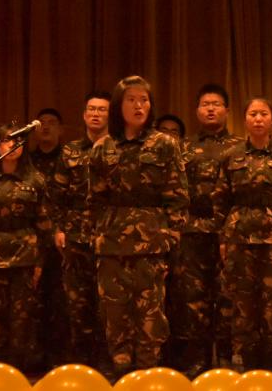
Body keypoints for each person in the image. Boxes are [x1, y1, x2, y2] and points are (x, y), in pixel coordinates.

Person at [90, 76, 189, 378]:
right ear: (119, 106)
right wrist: (97, 235)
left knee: (150, 318)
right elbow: (95, 200)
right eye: (131, 100)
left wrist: (172, 236)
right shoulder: (103, 147)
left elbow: (178, 196)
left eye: (144, 100)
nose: (138, 106)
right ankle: (121, 373)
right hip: (111, 243)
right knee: (115, 316)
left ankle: (148, 375)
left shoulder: (165, 145)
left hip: (152, 244)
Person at [213, 98, 272, 371]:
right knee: (243, 305)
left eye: (263, 113)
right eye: (253, 114)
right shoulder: (231, 156)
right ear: (245, 120)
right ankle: (249, 366)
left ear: (271, 119)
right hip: (239, 238)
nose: (258, 119)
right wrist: (222, 238)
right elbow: (220, 200)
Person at [169, 83, 241, 375]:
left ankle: (225, 359)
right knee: (193, 299)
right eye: (205, 104)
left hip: (228, 231)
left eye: (216, 104)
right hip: (192, 230)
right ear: (197, 110)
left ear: (227, 110)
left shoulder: (239, 146)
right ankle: (197, 362)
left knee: (228, 297)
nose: (211, 109)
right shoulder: (183, 147)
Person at [0, 123, 52, 369]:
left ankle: (18, 372)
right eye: (6, 140)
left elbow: (44, 224)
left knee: (22, 319)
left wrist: (40, 262)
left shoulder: (36, 179)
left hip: (25, 255)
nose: (12, 145)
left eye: (17, 141)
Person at [48, 90, 111, 368]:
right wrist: (58, 228)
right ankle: (84, 363)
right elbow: (56, 195)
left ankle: (108, 362)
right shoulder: (70, 151)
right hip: (75, 237)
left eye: (102, 109)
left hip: (110, 237)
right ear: (84, 115)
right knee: (78, 303)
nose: (96, 114)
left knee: (109, 303)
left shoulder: (119, 149)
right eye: (91, 109)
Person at [29, 106, 68, 369]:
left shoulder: (68, 158)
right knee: (33, 301)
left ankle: (59, 357)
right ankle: (34, 357)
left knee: (60, 300)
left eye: (52, 122)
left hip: (62, 239)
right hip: (32, 239)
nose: (45, 126)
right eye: (41, 122)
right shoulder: (26, 161)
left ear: (60, 129)